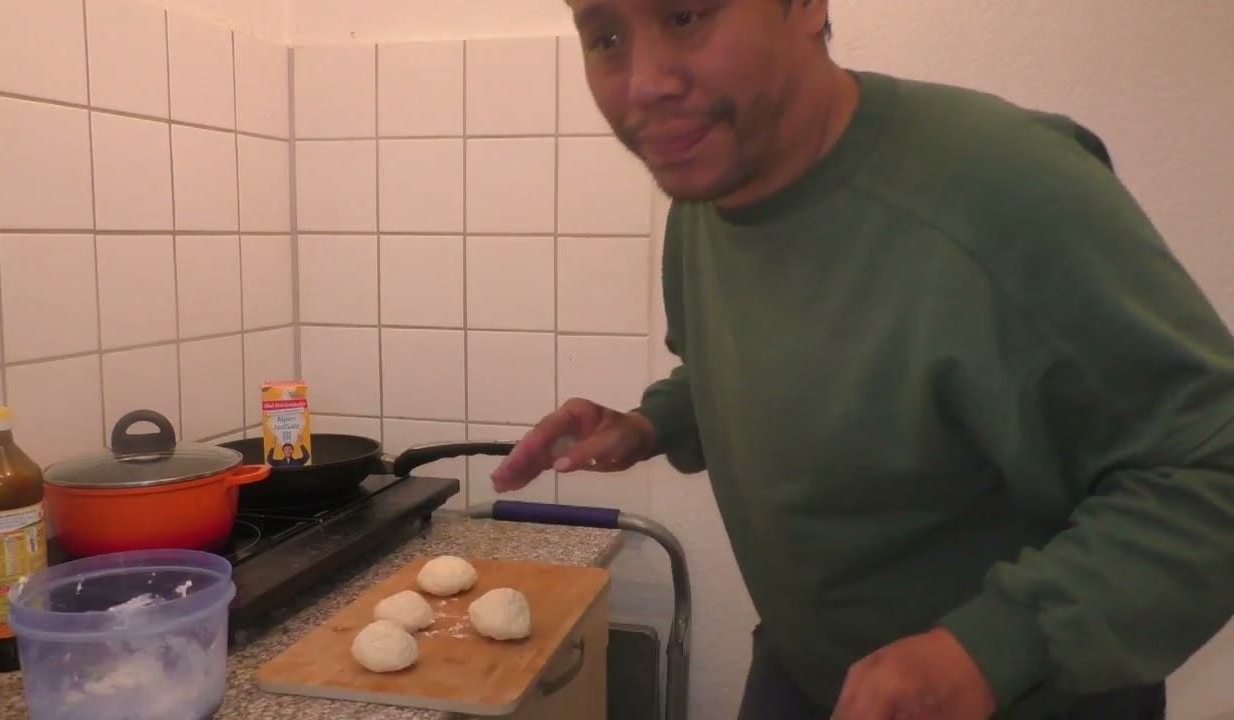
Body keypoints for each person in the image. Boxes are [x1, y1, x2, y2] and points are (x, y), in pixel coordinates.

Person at [490, 0, 1234, 718]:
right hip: (806, 669)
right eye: (605, 37)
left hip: (1024, 696)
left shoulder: (1009, 190)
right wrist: (652, 424)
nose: (644, 83)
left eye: (685, 16)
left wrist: (987, 652)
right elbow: (760, 364)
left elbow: (1211, 467)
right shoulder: (705, 193)